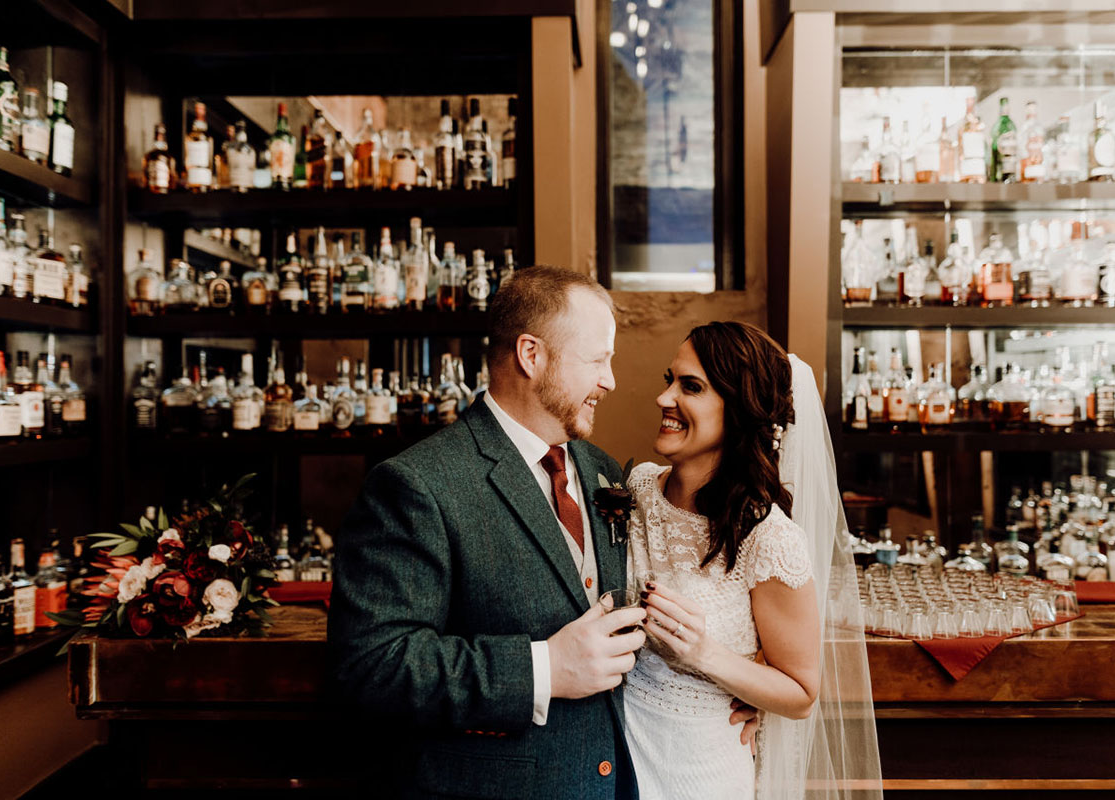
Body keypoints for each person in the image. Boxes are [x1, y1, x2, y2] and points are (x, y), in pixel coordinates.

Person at [329, 267, 754, 798]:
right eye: (598, 359)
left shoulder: (605, 472)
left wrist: (740, 684)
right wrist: (543, 668)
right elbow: (372, 668)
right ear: (532, 355)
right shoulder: (418, 485)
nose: (611, 381)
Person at [623, 321, 882, 799]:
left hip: (700, 771)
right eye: (670, 379)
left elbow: (802, 693)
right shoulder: (637, 488)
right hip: (618, 753)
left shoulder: (770, 539)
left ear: (738, 411)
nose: (664, 398)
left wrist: (706, 655)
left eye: (691, 387)